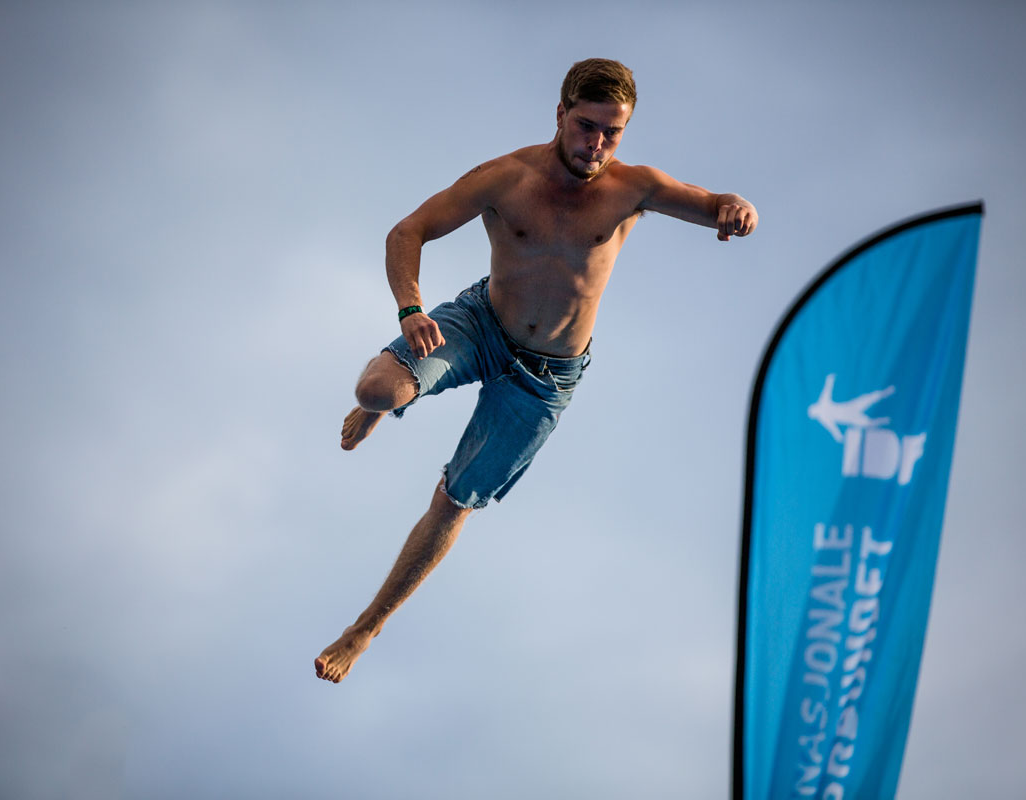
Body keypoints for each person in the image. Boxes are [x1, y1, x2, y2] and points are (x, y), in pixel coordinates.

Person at [315, 58, 757, 683]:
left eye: (612, 132)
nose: (597, 144)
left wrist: (737, 207)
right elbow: (407, 231)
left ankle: (364, 629)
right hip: (481, 325)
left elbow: (715, 204)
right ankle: (385, 403)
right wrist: (411, 309)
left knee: (455, 502)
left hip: (546, 378)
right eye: (586, 126)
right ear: (560, 114)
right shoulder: (506, 177)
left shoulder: (636, 187)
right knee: (375, 390)